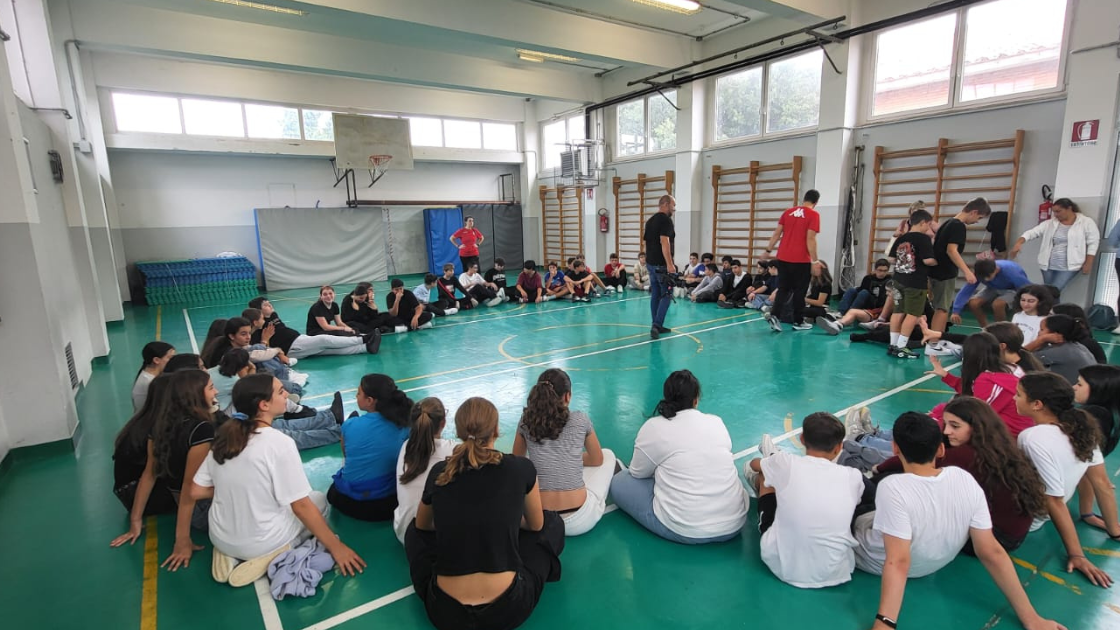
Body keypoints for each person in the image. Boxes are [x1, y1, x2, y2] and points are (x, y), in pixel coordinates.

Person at [852, 412, 1065, 630]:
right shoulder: (963, 478)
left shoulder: (892, 487)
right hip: (933, 564)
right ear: (940, 449)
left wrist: (885, 623)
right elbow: (992, 551)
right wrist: (1032, 618)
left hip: (876, 560)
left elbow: (898, 561)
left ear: (895, 448)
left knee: (854, 486)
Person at [405, 397, 565, 630]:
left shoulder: (440, 472)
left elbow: (422, 526)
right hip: (508, 609)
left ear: (459, 432)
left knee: (413, 533)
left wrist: (458, 522)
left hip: (445, 613)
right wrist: (506, 521)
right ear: (496, 430)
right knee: (552, 524)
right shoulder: (521, 468)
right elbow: (536, 525)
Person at [192, 374, 365, 587]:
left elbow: (196, 491)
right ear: (264, 405)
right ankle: (274, 553)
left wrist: (238, 487)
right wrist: (336, 548)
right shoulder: (279, 442)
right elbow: (301, 506)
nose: (286, 395)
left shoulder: (224, 436)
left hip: (218, 535)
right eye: (281, 392)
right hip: (261, 542)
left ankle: (229, 553)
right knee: (318, 501)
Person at [868, 398, 1047, 553]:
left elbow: (915, 460)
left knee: (893, 483)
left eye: (955, 426)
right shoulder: (997, 446)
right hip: (1013, 534)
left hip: (994, 538)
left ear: (976, 427)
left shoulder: (966, 456)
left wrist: (879, 468)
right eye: (945, 424)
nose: (946, 431)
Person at [610, 370, 748, 544]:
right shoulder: (716, 422)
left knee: (619, 482)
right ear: (696, 400)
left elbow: (637, 473)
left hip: (686, 528)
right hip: (734, 524)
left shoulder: (654, 427)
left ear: (667, 397)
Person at [1016, 371, 1120, 588]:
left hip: (1025, 518)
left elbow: (1053, 499)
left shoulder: (1032, 438)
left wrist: (1077, 554)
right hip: (1042, 513)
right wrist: (1114, 531)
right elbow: (1102, 483)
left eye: (1018, 395)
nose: (1013, 398)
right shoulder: (1085, 429)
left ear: (1037, 404)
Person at [111, 370, 219, 571]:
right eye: (211, 388)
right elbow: (189, 488)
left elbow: (149, 474)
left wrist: (135, 520)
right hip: (203, 510)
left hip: (184, 504)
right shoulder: (201, 429)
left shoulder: (160, 425)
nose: (216, 392)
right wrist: (182, 540)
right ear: (195, 394)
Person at [743, 413, 865, 588]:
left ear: (801, 439)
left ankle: (767, 465)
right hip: (835, 571)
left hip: (783, 567)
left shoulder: (788, 463)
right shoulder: (853, 476)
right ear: (839, 447)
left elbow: (753, 464)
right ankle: (771, 458)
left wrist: (768, 463)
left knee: (766, 476)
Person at [513, 369, 615, 537]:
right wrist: (571, 457)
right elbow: (597, 459)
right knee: (608, 455)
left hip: (540, 518)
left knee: (531, 463)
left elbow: (517, 464)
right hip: (581, 519)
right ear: (567, 396)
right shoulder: (580, 419)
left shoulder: (525, 421)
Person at [209, 348, 344, 450]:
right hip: (238, 426)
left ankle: (330, 417)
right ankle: (340, 432)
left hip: (238, 422)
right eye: (211, 388)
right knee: (293, 436)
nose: (215, 391)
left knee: (283, 426)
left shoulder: (215, 373)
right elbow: (251, 385)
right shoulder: (233, 382)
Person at [329, 374, 414, 521]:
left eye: (358, 393)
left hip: (349, 503)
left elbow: (346, 455)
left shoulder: (350, 424)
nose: (356, 396)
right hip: (388, 505)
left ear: (369, 401)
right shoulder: (405, 424)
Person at [926, 332, 1033, 437]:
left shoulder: (988, 380)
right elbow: (973, 391)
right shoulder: (1009, 368)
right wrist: (946, 375)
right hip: (1015, 429)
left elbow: (976, 416)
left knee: (941, 421)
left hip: (1007, 435)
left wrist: (936, 419)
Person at [394, 397, 457, 544]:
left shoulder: (406, 446)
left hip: (404, 533)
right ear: (443, 423)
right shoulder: (453, 450)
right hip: (438, 537)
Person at [114, 375, 177, 515]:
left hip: (127, 489)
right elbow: (151, 472)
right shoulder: (159, 427)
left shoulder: (144, 418)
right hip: (140, 494)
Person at [929, 198, 992, 333]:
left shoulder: (947, 223)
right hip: (945, 274)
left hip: (935, 272)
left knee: (939, 307)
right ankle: (934, 341)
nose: (977, 221)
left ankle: (935, 338)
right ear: (973, 212)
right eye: (979, 217)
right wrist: (967, 272)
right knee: (942, 309)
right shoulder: (958, 226)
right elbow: (951, 250)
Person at [1010, 198, 1100, 292]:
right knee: (1050, 293)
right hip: (1048, 265)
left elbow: (1093, 242)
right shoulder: (1050, 223)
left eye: (1058, 211)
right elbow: (1032, 232)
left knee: (1052, 292)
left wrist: (1088, 263)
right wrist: (1019, 242)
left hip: (1070, 266)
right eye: (1054, 212)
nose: (1056, 215)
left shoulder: (1086, 222)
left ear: (1069, 208)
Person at [763, 190, 821, 332]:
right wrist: (815, 261)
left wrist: (768, 250)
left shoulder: (787, 212)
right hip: (801, 260)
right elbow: (810, 239)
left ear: (804, 199)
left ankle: (775, 316)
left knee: (783, 289)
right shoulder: (814, 215)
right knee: (800, 291)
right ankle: (798, 321)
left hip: (783, 258)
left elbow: (777, 233)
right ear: (816, 202)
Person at [1072, 364, 1120, 532]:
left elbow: (1101, 483)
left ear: (1099, 390)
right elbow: (1087, 468)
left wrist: (1115, 531)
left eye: (1079, 384)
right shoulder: (1112, 412)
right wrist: (1087, 513)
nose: (1074, 387)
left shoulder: (1090, 416)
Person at [248, 297, 378, 358]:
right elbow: (261, 350)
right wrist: (266, 340)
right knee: (324, 340)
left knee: (330, 350)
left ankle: (366, 348)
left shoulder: (273, 315)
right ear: (259, 311)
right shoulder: (257, 328)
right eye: (266, 305)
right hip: (292, 347)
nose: (270, 305)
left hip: (298, 339)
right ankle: (364, 339)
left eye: (269, 303)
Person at [885, 208, 937, 359]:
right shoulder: (923, 239)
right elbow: (928, 260)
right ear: (922, 223)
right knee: (913, 314)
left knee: (897, 311)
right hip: (915, 282)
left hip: (898, 280)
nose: (928, 228)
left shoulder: (902, 238)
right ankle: (902, 346)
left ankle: (893, 344)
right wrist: (937, 262)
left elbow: (891, 259)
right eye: (928, 224)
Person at [951, 258, 1031, 327]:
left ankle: (1001, 330)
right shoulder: (980, 273)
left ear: (997, 270)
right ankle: (986, 329)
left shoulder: (1012, 272)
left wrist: (1025, 306)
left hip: (1012, 289)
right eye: (983, 278)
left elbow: (1027, 290)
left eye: (988, 277)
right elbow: (966, 291)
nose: (985, 280)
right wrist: (956, 311)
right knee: (973, 303)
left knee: (998, 304)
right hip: (992, 288)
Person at [644, 195, 677, 339]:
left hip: (650, 263)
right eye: (673, 205)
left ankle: (655, 324)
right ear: (666, 204)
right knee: (667, 294)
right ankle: (657, 325)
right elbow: (665, 242)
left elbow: (647, 243)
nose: (674, 209)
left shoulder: (650, 221)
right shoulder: (665, 220)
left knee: (656, 294)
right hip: (661, 265)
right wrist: (670, 264)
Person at [1033, 314, 1098, 384]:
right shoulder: (1077, 346)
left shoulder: (1059, 351)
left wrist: (1041, 340)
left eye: (1042, 329)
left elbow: (1025, 358)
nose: (1039, 332)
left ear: (1055, 334)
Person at [133, 341, 175, 411]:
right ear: (156, 360)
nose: (173, 361)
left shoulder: (147, 376)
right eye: (170, 358)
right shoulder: (150, 382)